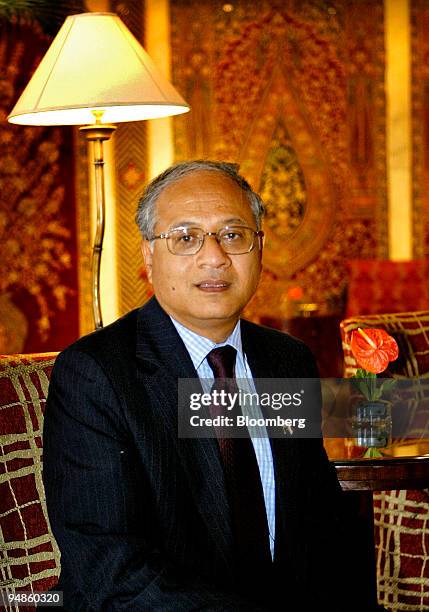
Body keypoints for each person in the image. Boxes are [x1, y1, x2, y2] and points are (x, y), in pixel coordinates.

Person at [43, 160, 354, 611]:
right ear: (149, 255)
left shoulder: (288, 360)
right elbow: (109, 567)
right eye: (186, 238)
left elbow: (319, 523)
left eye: (233, 235)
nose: (215, 257)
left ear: (259, 248)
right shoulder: (97, 374)